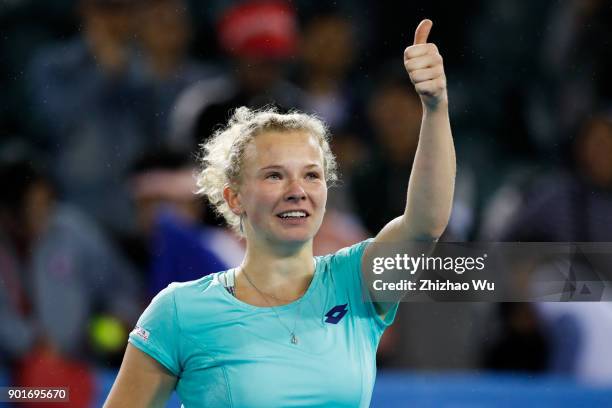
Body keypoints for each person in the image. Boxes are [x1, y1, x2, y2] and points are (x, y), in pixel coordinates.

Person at [105, 19, 455, 407]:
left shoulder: (356, 282)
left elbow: (425, 225)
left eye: (311, 175)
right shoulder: (178, 311)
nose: (297, 192)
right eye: (274, 175)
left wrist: (435, 107)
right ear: (234, 198)